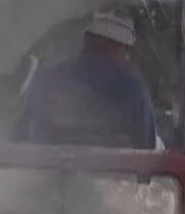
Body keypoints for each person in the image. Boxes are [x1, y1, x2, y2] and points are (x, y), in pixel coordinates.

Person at [14, 10, 160, 150]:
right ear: (118, 47)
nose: (126, 58)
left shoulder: (46, 79)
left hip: (42, 174)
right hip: (116, 175)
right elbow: (147, 149)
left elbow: (20, 138)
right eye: (126, 51)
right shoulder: (132, 89)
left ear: (86, 41)